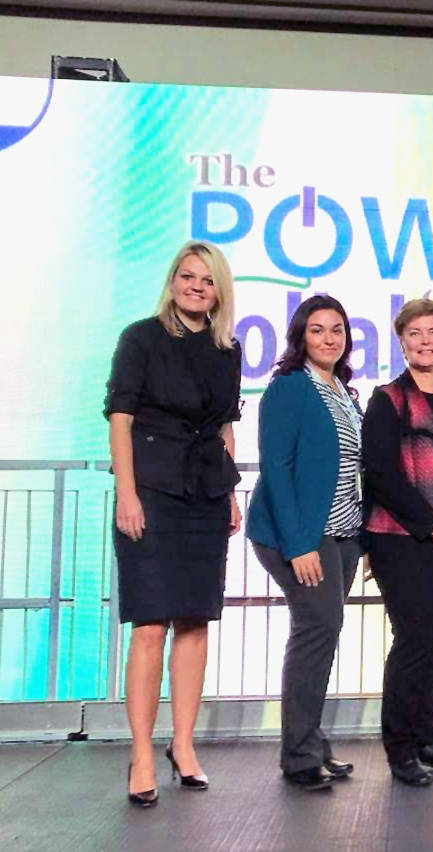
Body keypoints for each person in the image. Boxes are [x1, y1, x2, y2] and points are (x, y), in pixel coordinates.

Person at [106, 240, 242, 807]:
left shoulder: (226, 348)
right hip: (153, 491)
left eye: (206, 280)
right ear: (173, 281)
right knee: (149, 626)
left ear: (218, 291)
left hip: (207, 492)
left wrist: (231, 491)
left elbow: (225, 425)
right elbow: (121, 418)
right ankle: (142, 752)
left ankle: (182, 746)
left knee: (195, 622)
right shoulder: (140, 337)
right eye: (187, 276)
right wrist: (128, 494)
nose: (194, 286)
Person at [245, 294, 364, 793]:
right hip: (299, 536)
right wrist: (299, 545)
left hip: (342, 535)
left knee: (322, 636)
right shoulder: (289, 388)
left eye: (337, 329)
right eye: (318, 330)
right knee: (317, 630)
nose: (329, 338)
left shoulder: (343, 390)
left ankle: (311, 741)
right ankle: (298, 757)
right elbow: (277, 468)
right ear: (301, 337)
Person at [363, 298, 433, 787]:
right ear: (401, 340)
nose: (425, 341)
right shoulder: (386, 399)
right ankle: (402, 749)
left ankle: (430, 740)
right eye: (415, 333)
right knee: (412, 642)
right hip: (403, 538)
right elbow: (383, 476)